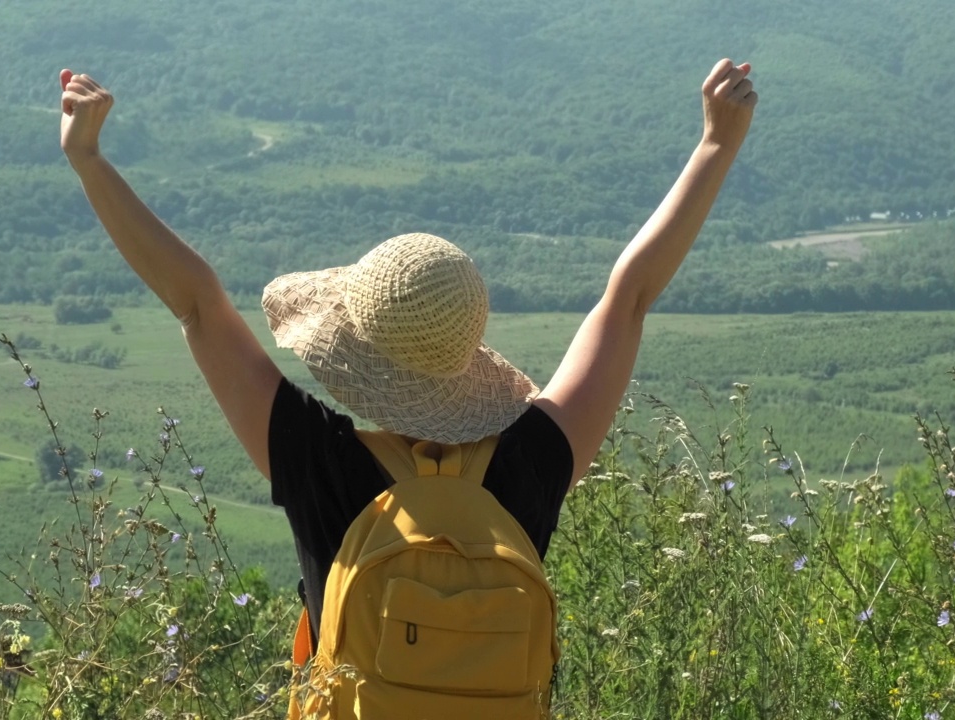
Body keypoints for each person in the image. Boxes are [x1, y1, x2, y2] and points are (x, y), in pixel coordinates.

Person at [59, 58, 756, 716]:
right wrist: (715, 147)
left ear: (351, 356)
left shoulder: (317, 461)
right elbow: (628, 299)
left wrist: (89, 160)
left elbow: (197, 304)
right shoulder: (532, 464)